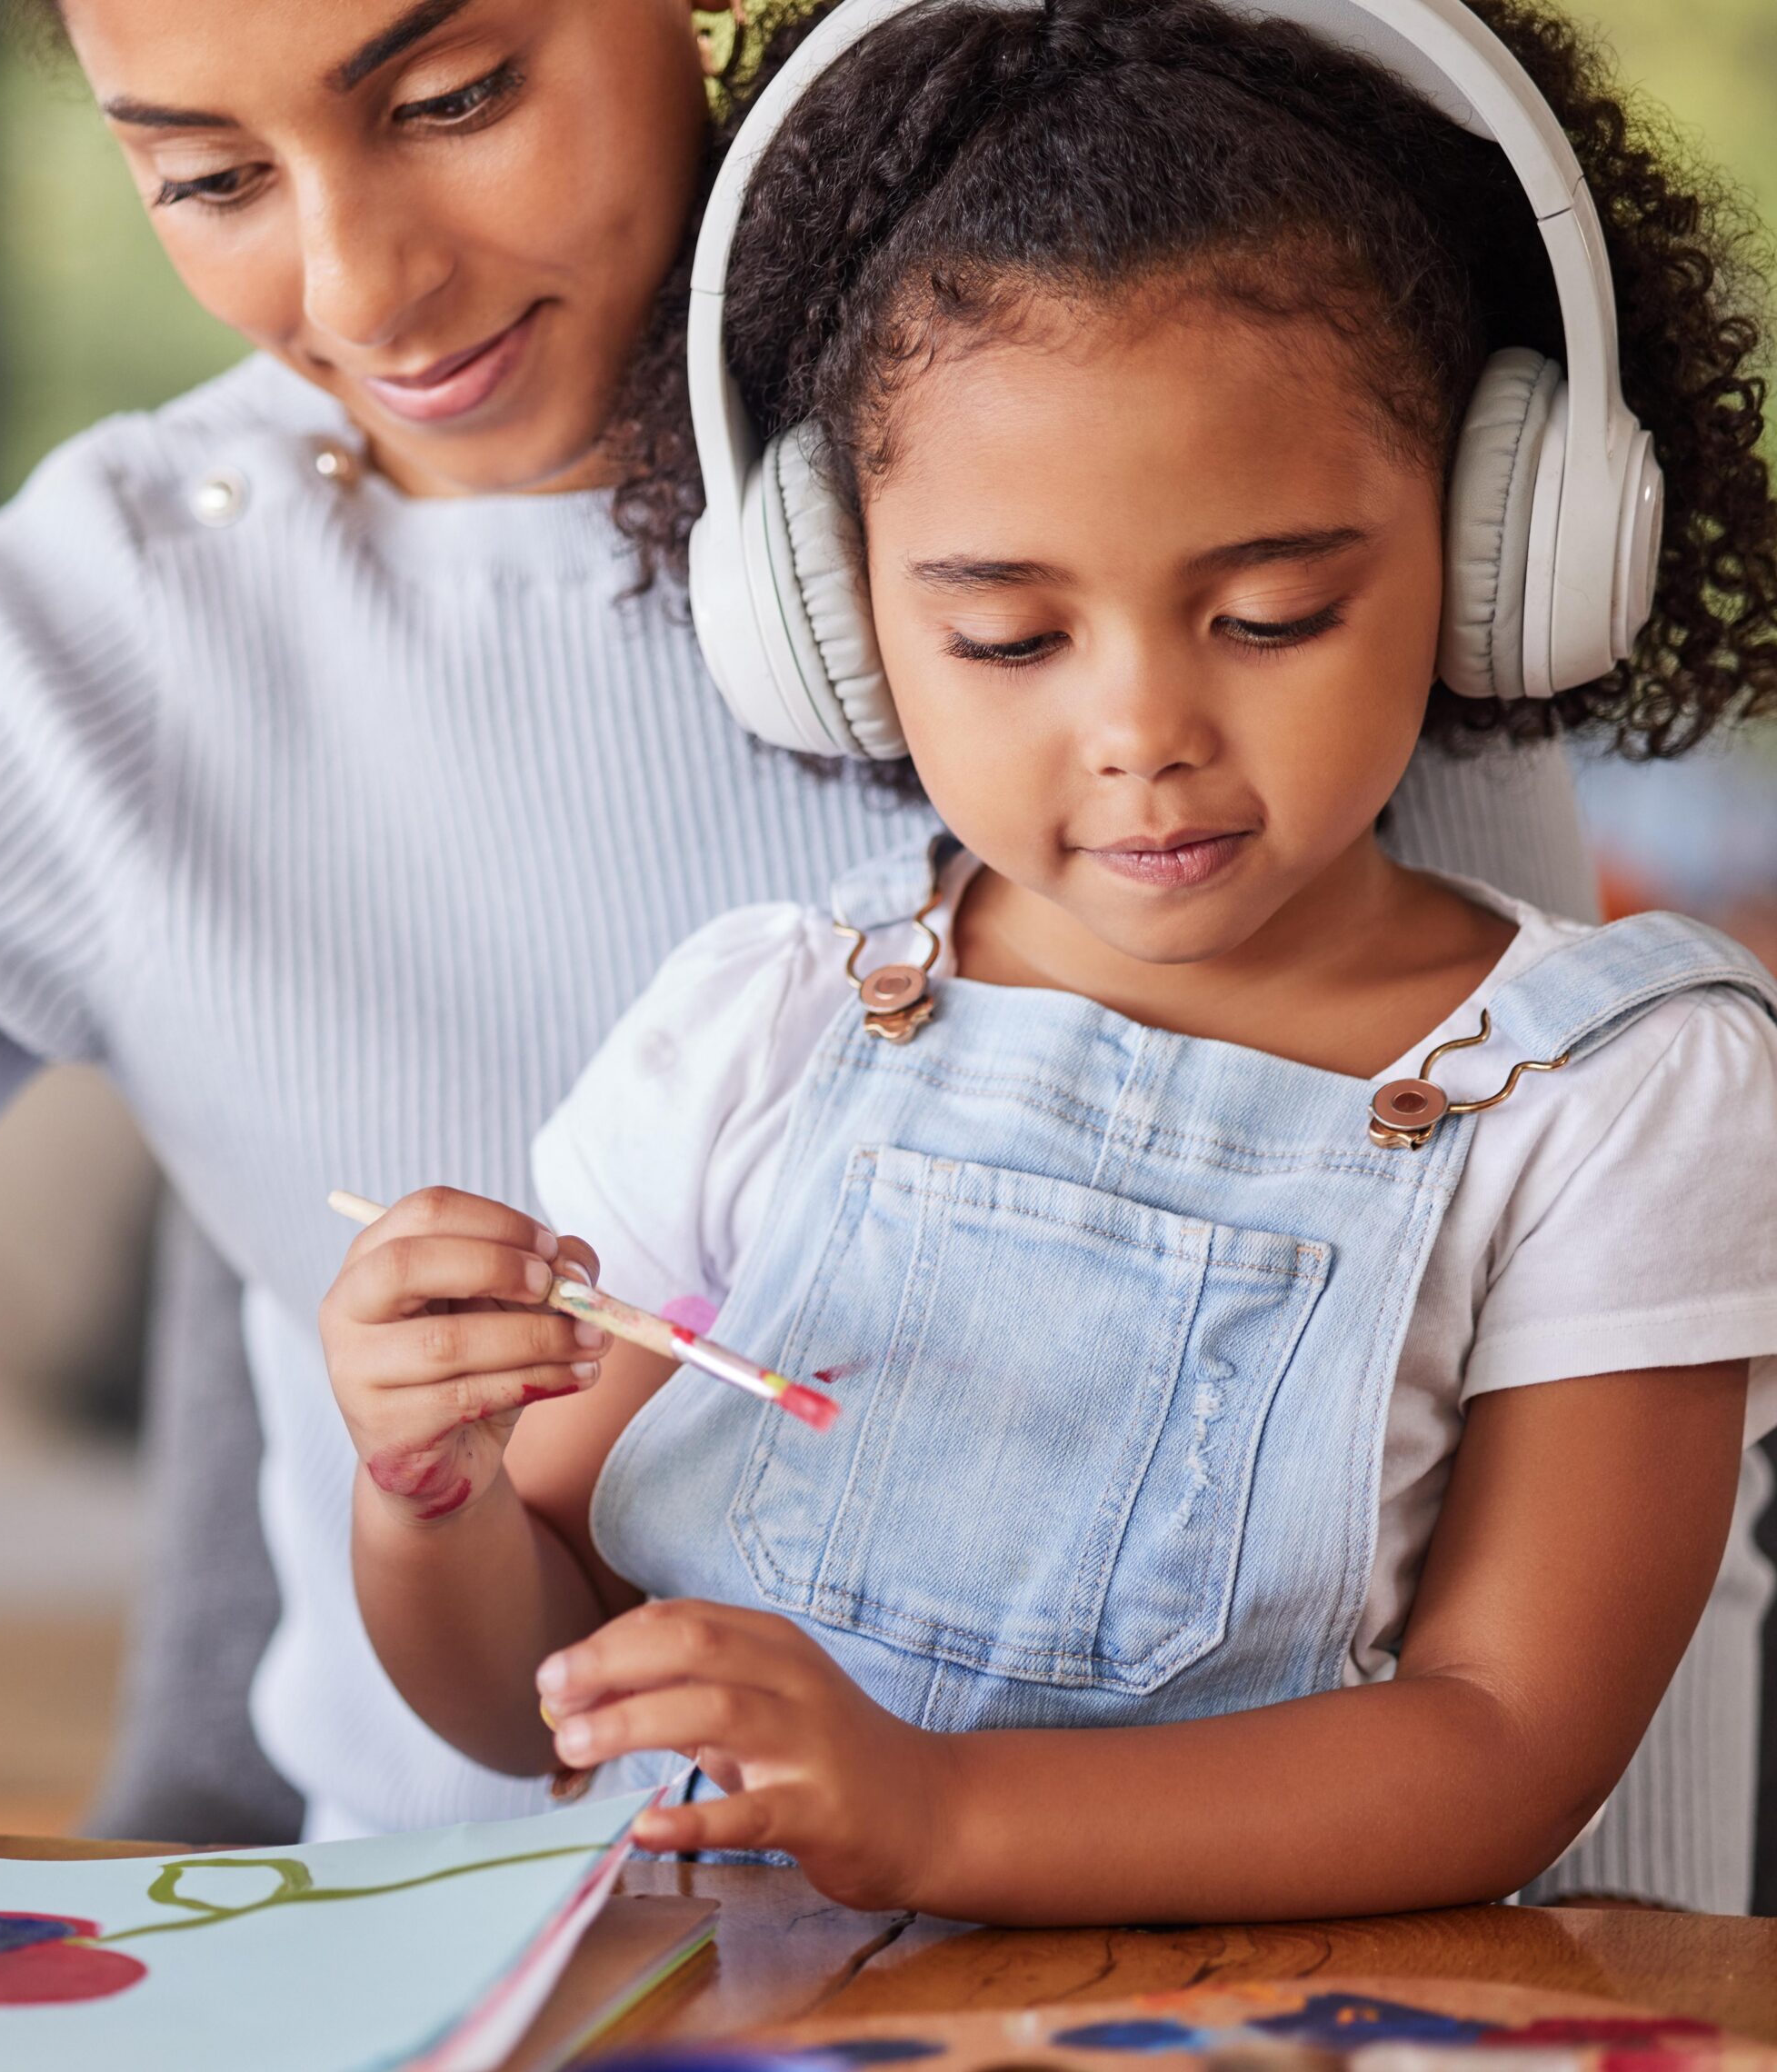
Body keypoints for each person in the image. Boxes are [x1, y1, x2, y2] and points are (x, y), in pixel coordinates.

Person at [0, 0, 1747, 1903]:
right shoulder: (84, 654)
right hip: (534, 1936)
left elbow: (1561, 1572)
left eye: (452, 97)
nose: (365, 292)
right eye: (206, 178)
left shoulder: (1229, 361)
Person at [318, 0, 1777, 1919]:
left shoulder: (1618, 1098)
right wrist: (421, 1496)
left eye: (1269, 614)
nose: (1142, 729)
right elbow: (541, 1699)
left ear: (1495, 547)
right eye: (1008, 638)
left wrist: (932, 1812)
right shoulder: (766, 1020)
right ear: (830, 620)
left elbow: (1500, 1742)